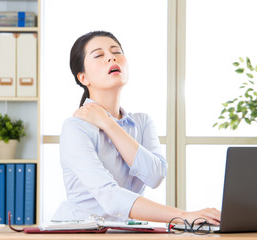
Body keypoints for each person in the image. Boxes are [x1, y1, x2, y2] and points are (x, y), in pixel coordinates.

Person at [52, 31, 221, 225]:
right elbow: (110, 197)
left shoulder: (142, 122)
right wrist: (183, 216)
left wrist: (108, 124)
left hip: (124, 231)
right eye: (99, 55)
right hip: (79, 232)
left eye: (116, 51)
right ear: (83, 78)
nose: (111, 57)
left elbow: (155, 176)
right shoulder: (76, 128)